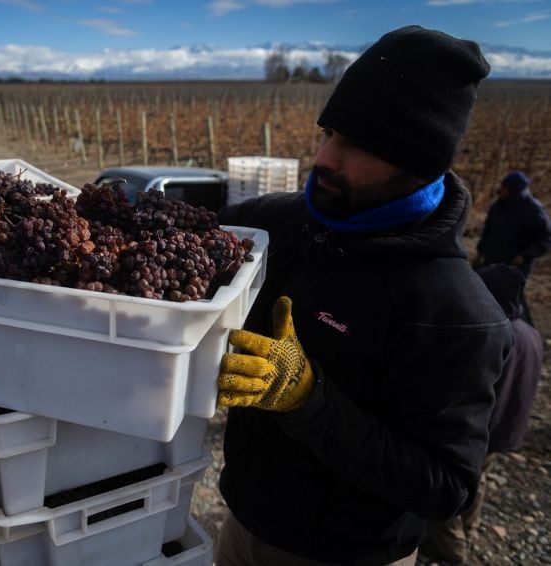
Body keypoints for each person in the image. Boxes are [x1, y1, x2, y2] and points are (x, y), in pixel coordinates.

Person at [213, 25, 513, 565]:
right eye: (328, 133)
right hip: (240, 527)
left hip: (347, 556)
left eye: (355, 144)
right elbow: (187, 237)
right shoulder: (279, 224)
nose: (325, 157)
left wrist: (308, 399)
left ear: (416, 164)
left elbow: (446, 486)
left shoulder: (457, 313)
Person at [421, 264, 543, 565]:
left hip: (485, 429)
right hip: (509, 428)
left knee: (446, 486)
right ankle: (470, 531)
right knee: (478, 482)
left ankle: (454, 550)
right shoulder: (530, 333)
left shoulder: (493, 331)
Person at [475, 171, 551, 323]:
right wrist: (480, 252)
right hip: (491, 260)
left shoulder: (533, 210)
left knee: (513, 301)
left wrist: (525, 256)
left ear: (514, 189)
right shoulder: (498, 206)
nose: (499, 190)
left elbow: (546, 239)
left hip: (515, 266)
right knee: (484, 294)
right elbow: (488, 231)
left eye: (504, 187)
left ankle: (525, 335)